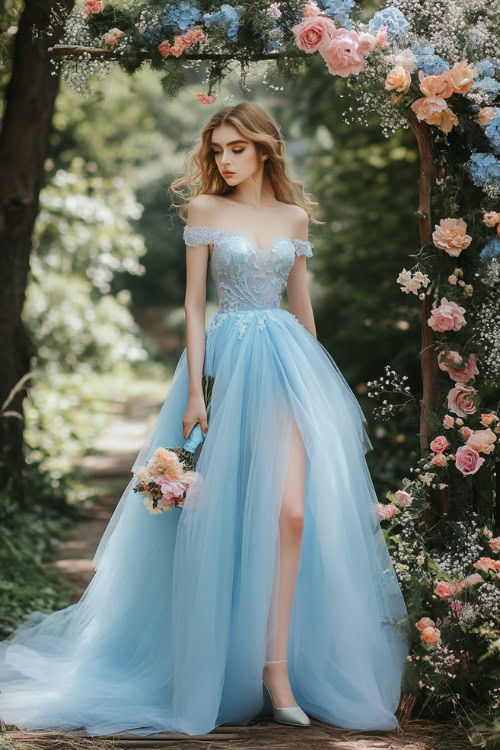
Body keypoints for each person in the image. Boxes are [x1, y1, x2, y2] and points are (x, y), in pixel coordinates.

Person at [0, 102, 409, 738]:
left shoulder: (293, 217)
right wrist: (197, 390)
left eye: (235, 148)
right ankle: (214, 667)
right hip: (227, 364)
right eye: (216, 149)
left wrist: (319, 391)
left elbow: (302, 311)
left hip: (289, 368)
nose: (224, 159)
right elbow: (195, 303)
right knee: (220, 515)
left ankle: (278, 670)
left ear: (264, 149)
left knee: (293, 513)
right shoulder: (206, 212)